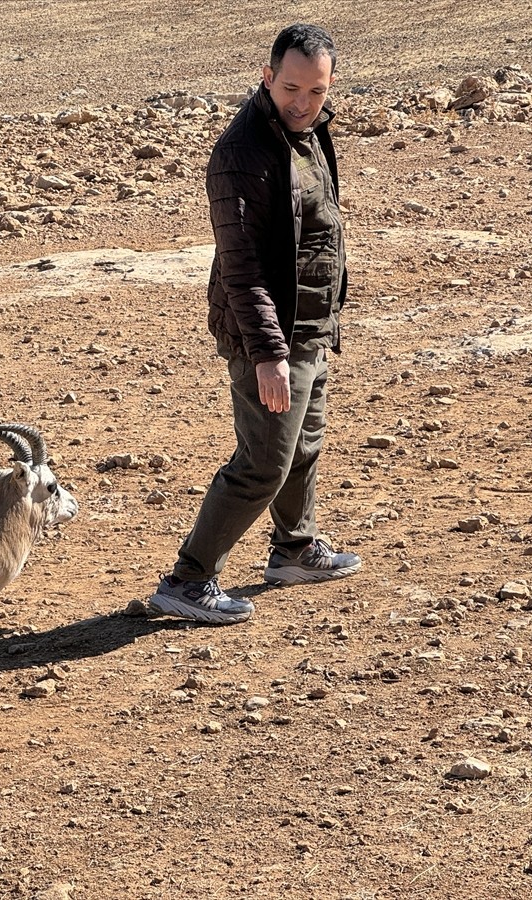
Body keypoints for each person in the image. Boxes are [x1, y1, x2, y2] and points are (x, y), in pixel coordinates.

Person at [148, 23, 362, 625]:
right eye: (291, 88)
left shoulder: (307, 132)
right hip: (268, 333)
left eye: (316, 91)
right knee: (264, 461)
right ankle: (189, 579)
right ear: (267, 77)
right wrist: (269, 354)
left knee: (304, 446)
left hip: (309, 323)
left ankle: (294, 548)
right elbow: (241, 265)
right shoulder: (241, 153)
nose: (303, 102)